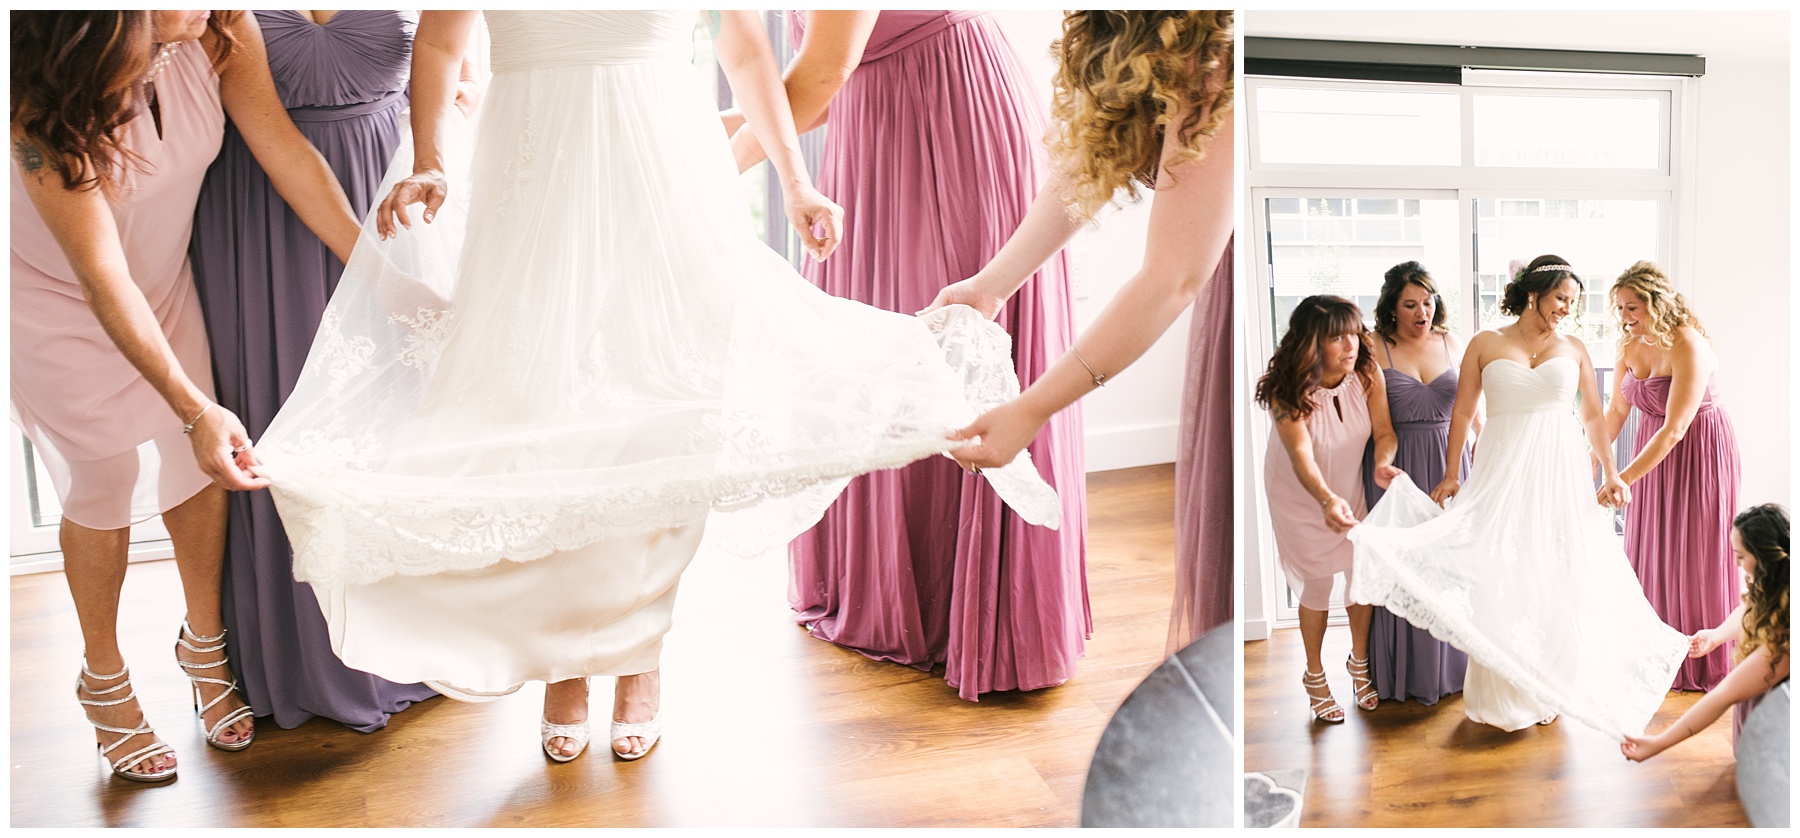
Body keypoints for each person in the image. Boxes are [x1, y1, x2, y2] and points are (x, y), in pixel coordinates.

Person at [251, 10, 1060, 764]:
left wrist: (793, 177)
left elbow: (742, 49)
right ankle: (569, 656)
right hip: (532, 184)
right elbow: (437, 43)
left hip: (665, 180)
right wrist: (430, 159)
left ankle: (641, 650)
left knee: (668, 417)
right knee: (547, 422)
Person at [11, 9, 361, 781]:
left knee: (199, 465)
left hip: (162, 279)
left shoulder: (221, 30)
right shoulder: (37, 105)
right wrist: (195, 404)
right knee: (103, 478)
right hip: (57, 294)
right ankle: (103, 678)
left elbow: (286, 153)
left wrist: (375, 268)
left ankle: (204, 644)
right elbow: (100, 278)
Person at [726, 10, 1088, 701]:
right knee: (876, 343)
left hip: (945, 115)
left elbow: (819, 76)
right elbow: (787, 78)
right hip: (876, 121)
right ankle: (894, 588)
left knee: (948, 342)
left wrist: (701, 174)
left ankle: (978, 610)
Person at [922, 11, 1236, 648]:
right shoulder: (1119, 30)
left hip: (1221, 285)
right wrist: (992, 283)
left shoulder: (1217, 61)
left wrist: (1034, 408)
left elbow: (1171, 278)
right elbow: (1091, 163)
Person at [188, 10, 453, 732]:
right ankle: (290, 653)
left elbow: (458, 62)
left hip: (387, 192)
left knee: (394, 423)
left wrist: (441, 153)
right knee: (270, 413)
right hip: (252, 210)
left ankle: (402, 637)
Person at [1347, 255, 1689, 738]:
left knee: (1553, 569)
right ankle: (1501, 689)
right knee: (1501, 566)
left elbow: (1593, 415)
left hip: (1559, 469)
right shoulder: (1486, 343)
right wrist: (1450, 474)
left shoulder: (1574, 348)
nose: (1568, 308)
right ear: (1535, 293)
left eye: (1573, 300)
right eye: (1561, 298)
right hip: (1501, 465)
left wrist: (1611, 474)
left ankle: (1548, 685)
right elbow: (1463, 412)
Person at [1256, 297, 1400, 722]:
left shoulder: (1368, 373)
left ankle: (1359, 664)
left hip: (1348, 487)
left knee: (1361, 579)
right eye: (1336, 337)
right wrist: (1324, 499)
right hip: (1300, 496)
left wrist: (1381, 462)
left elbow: (1385, 431)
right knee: (1317, 586)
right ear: (1312, 343)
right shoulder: (1288, 389)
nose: (1350, 345)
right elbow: (1300, 455)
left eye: (1353, 333)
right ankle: (1314, 674)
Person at [1603, 261, 1742, 692]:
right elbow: (1616, 413)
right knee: (1650, 546)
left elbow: (1676, 428)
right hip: (1653, 452)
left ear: (1656, 302)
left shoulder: (1688, 344)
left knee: (1693, 551)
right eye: (1621, 308)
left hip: (1698, 453)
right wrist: (1596, 466)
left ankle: (1696, 657)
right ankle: (1654, 650)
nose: (1626, 317)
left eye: (1633, 307)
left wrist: (1621, 479)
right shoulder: (1628, 344)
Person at [1360, 263, 1473, 707]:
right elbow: (1381, 427)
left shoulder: (1451, 341)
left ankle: (1456, 668)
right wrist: (1384, 468)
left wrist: (1483, 463)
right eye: (1410, 304)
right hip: (1401, 470)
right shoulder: (1374, 348)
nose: (1421, 312)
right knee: (1403, 570)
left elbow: (1472, 412)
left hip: (1453, 465)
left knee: (1450, 567)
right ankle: (1403, 673)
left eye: (1427, 302)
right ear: (1392, 307)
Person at [1622, 503, 1788, 761]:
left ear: (1765, 556)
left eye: (1741, 556)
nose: (1736, 563)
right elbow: (1748, 610)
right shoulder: (1776, 586)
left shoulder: (1784, 639)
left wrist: (1658, 743)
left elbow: (1723, 695)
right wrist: (1716, 635)